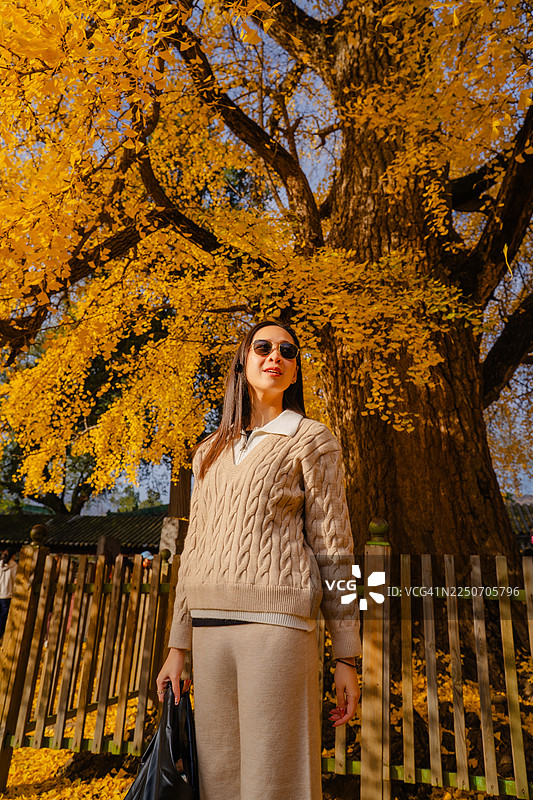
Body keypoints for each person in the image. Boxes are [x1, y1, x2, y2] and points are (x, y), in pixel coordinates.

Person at [156, 320, 361, 800]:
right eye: (263, 347)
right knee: (218, 782)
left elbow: (335, 546)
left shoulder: (312, 440)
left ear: (294, 371)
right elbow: (194, 550)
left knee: (276, 781)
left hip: (277, 628)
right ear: (243, 360)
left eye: (287, 351)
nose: (275, 356)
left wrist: (347, 654)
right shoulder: (207, 451)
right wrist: (177, 646)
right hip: (208, 629)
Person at [0, 547, 18, 638]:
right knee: (4, 616)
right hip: (7, 594)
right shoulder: (14, 566)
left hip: (0, 592)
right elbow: (16, 580)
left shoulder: (0, 564)